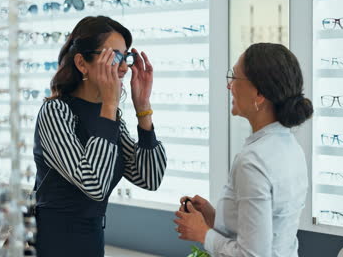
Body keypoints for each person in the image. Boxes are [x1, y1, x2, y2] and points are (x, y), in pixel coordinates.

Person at [33, 16, 167, 256]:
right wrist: (109, 106)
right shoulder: (56, 111)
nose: (124, 67)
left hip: (92, 240)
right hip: (52, 242)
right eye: (113, 57)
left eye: (125, 57)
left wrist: (143, 109)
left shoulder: (111, 115)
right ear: (82, 63)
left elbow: (150, 178)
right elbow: (93, 183)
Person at [174, 43, 313, 257]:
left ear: (258, 94)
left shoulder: (253, 161)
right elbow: (272, 230)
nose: (229, 86)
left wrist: (203, 233)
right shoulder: (291, 147)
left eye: (235, 78)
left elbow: (252, 255)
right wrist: (216, 218)